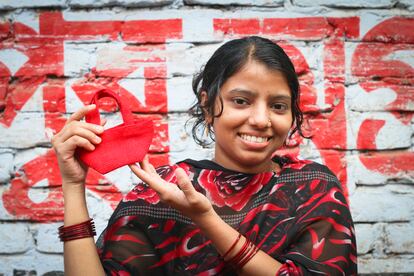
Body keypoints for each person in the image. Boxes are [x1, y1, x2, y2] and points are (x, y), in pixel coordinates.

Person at [52, 36, 357, 275]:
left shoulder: (314, 188)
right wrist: (73, 184)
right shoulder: (162, 194)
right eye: (241, 101)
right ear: (209, 107)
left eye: (278, 106)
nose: (262, 120)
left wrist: (206, 219)